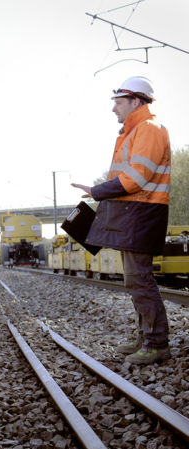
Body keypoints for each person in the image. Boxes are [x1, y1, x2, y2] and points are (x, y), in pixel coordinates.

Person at [71, 76, 171, 365]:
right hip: (133, 211)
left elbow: (138, 176)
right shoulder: (133, 131)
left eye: (118, 102)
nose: (114, 109)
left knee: (139, 279)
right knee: (134, 279)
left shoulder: (148, 129)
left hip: (143, 211)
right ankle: (146, 336)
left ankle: (157, 343)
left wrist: (97, 191)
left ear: (136, 101)